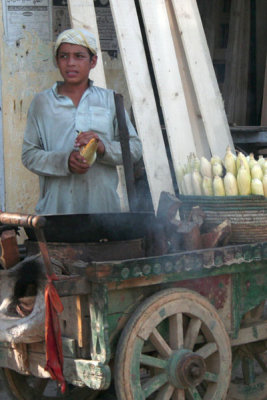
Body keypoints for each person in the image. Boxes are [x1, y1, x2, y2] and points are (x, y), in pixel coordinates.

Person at [21, 28, 142, 215]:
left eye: (79, 56)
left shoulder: (110, 100)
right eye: (63, 56)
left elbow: (134, 149)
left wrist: (102, 148)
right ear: (56, 61)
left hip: (104, 211)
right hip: (57, 211)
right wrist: (64, 161)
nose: (70, 63)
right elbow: (29, 155)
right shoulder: (42, 103)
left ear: (93, 61)